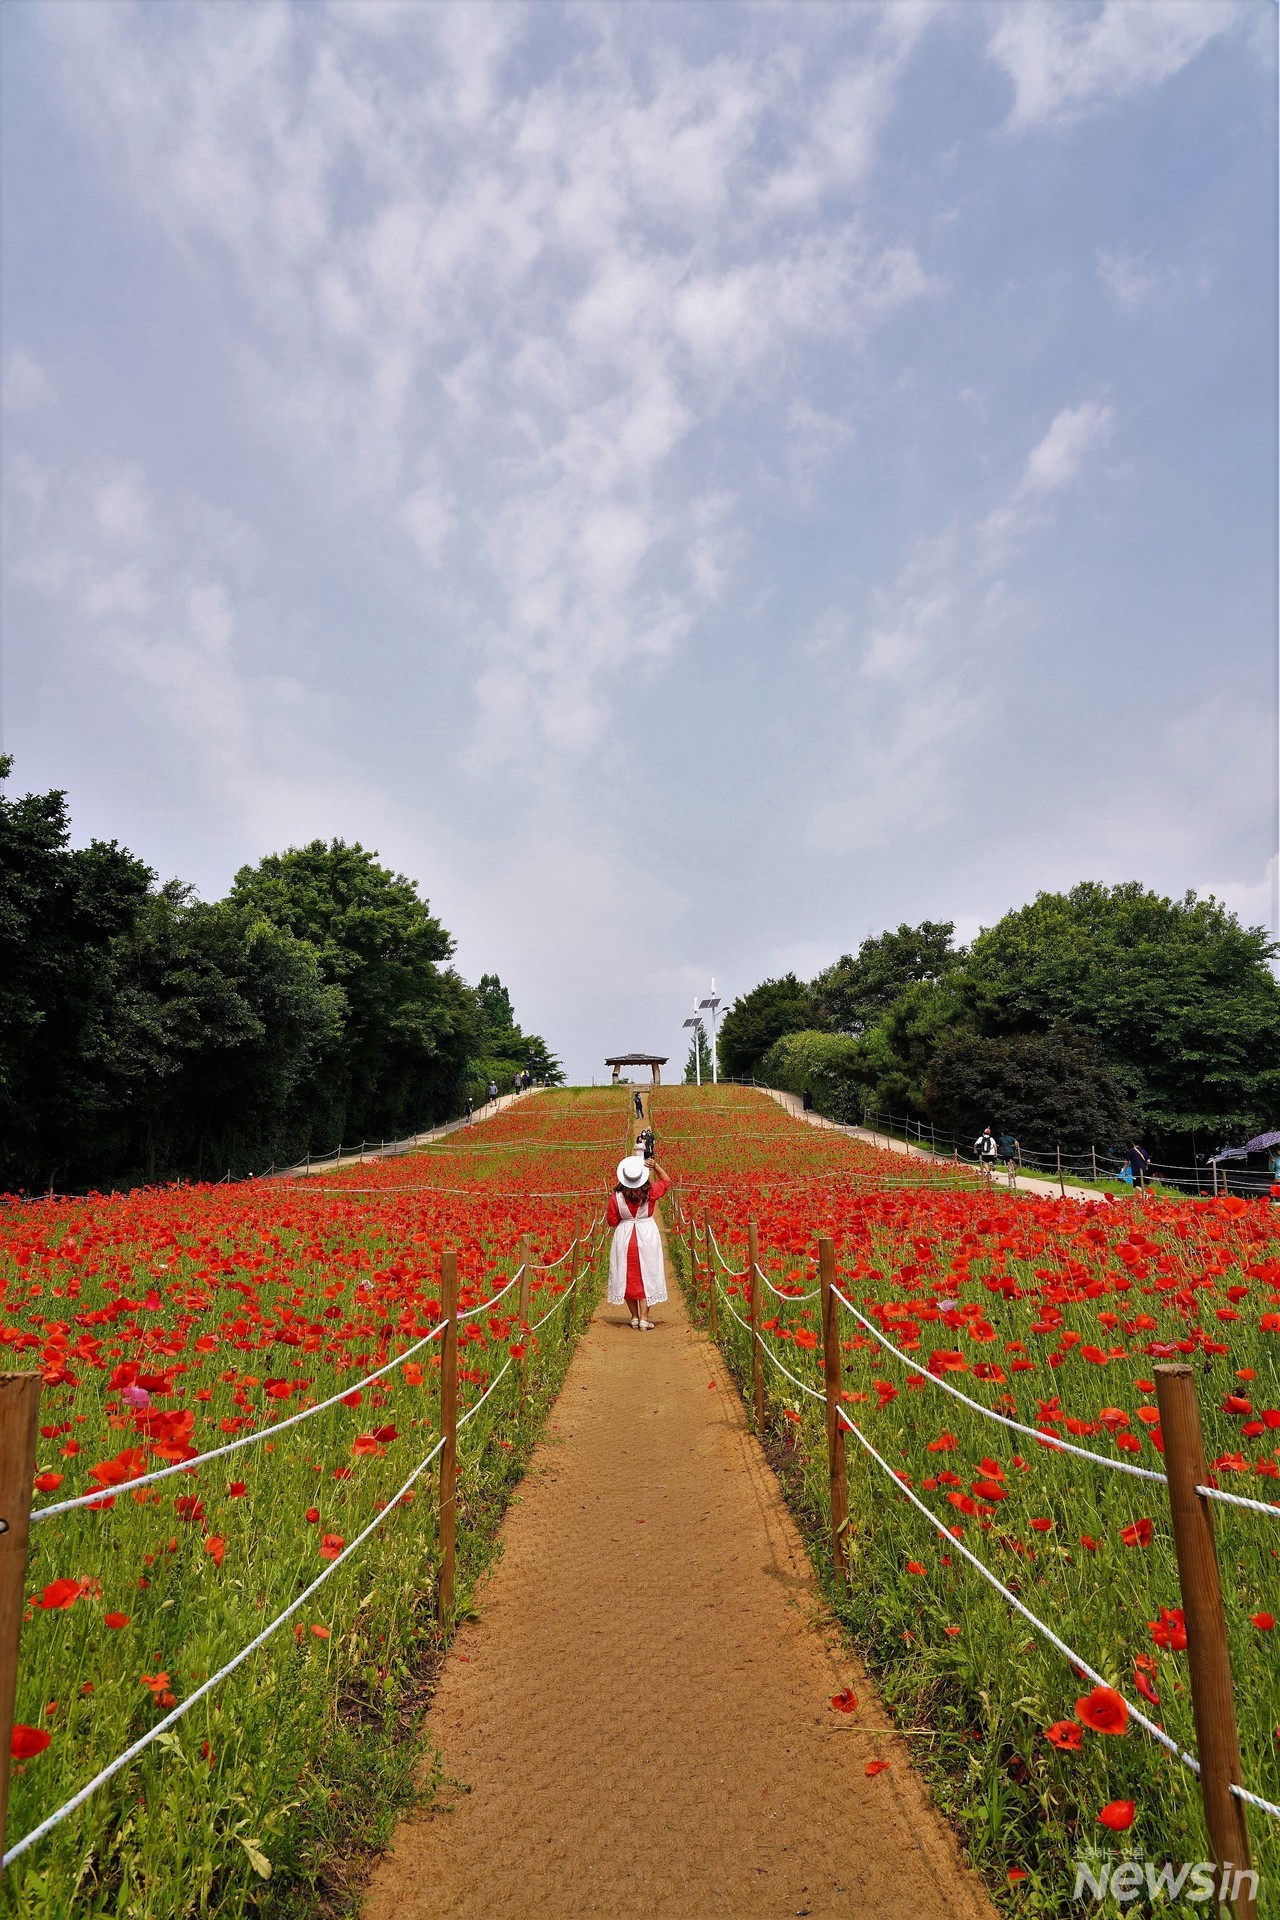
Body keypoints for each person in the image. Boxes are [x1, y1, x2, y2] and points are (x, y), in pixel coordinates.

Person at [607, 1153, 670, 1331]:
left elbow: (611, 1221)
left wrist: (625, 1218)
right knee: (647, 1274)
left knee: (626, 1275)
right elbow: (666, 1182)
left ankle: (634, 1317)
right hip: (646, 1235)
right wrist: (655, 1166)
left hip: (625, 1237)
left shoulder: (616, 1197)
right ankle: (644, 1318)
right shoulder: (650, 1192)